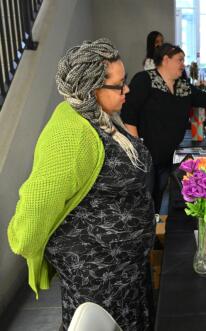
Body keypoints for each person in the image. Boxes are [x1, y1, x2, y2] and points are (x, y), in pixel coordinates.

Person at [7, 38, 155, 330]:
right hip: (97, 275)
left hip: (125, 270)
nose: (127, 90)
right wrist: (24, 243)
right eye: (119, 84)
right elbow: (37, 202)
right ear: (91, 89)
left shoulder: (101, 118)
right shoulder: (71, 135)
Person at [121, 43, 206, 218]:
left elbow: (205, 98)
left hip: (169, 154)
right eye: (179, 60)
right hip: (147, 154)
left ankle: (158, 229)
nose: (183, 64)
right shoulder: (144, 79)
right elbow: (129, 113)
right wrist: (136, 148)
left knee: (160, 196)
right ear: (165, 59)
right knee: (145, 198)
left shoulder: (182, 85)